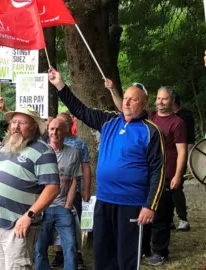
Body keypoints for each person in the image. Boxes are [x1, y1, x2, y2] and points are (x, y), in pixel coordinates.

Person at [49, 68, 165, 270]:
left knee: (126, 258)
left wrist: (150, 205)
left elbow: (158, 171)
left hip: (132, 204)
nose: (127, 103)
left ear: (144, 103)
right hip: (104, 201)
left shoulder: (151, 131)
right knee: (103, 255)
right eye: (126, 98)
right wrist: (60, 85)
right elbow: (81, 110)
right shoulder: (109, 120)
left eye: (133, 100)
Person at [0, 106, 61, 270]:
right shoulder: (3, 148)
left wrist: (29, 215)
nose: (16, 127)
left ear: (34, 127)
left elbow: (52, 188)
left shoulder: (43, 151)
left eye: (22, 123)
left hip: (20, 225)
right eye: (14, 122)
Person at [107, 82, 187, 265]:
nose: (160, 102)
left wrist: (177, 175)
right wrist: (112, 89)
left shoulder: (178, 123)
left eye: (164, 99)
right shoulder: (149, 116)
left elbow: (182, 151)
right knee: (142, 215)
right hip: (145, 178)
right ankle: (143, 248)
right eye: (158, 98)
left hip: (166, 176)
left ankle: (160, 251)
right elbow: (123, 107)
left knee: (161, 217)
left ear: (171, 101)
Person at [35, 118, 81, 270]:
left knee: (71, 246)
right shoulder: (40, 153)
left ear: (65, 132)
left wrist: (68, 204)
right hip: (43, 208)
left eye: (58, 129)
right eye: (52, 129)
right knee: (39, 247)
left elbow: (74, 180)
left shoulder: (74, 153)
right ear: (48, 130)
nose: (55, 132)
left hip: (63, 207)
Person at [55, 112, 91, 269]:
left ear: (70, 124)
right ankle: (58, 254)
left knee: (73, 223)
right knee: (55, 222)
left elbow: (86, 167)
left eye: (64, 123)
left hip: (73, 190)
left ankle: (77, 254)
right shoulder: (51, 141)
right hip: (54, 191)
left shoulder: (79, 144)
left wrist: (86, 189)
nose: (60, 127)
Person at [172, 92, 194, 231]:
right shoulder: (168, 117)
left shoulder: (184, 115)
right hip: (169, 157)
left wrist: (189, 158)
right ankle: (169, 219)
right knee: (167, 189)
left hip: (181, 155)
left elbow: (190, 138)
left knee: (176, 187)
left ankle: (183, 219)